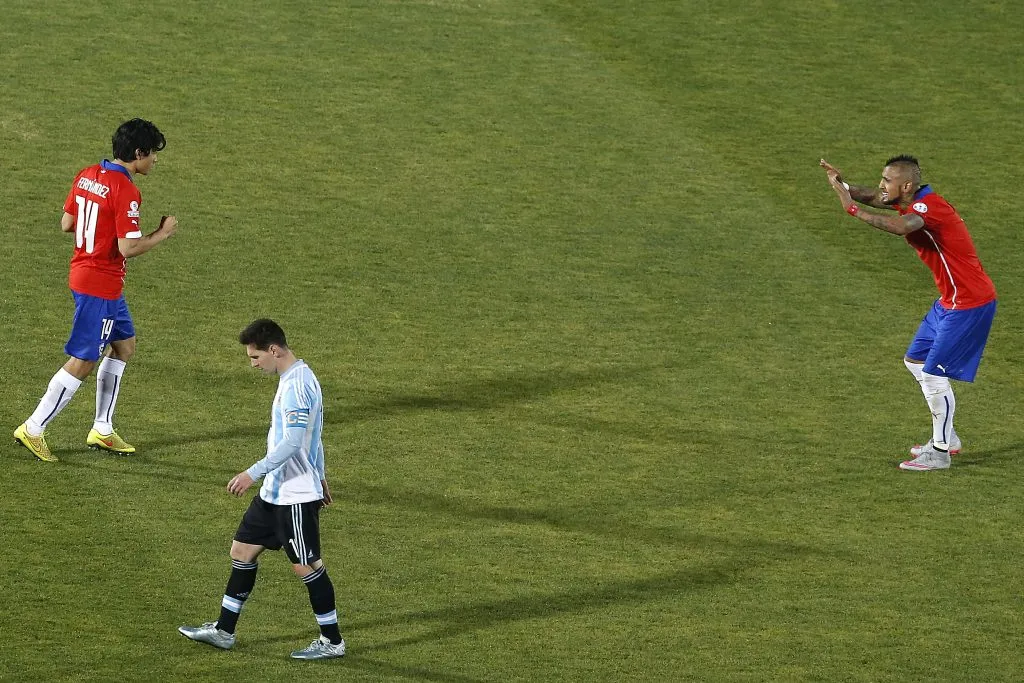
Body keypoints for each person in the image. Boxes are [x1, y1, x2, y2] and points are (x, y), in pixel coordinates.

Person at [13, 118, 178, 462]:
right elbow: (129, 247)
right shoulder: (126, 190)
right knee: (84, 359)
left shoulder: (87, 173)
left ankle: (102, 429)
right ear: (138, 153)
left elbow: (66, 224)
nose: (156, 161)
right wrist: (162, 234)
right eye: (153, 155)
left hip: (90, 276)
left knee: (124, 346)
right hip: (99, 284)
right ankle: (33, 427)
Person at [179, 319, 345, 660]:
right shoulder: (295, 377)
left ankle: (332, 642)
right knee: (241, 551)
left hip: (294, 495)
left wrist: (251, 473)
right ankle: (224, 631)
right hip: (274, 493)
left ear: (274, 350)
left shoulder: (298, 385)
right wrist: (323, 476)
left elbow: (294, 442)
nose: (253, 364)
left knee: (307, 565)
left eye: (255, 357)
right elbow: (317, 437)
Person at [820, 155, 997, 471]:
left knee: (932, 374)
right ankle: (948, 436)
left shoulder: (926, 210)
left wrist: (851, 208)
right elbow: (875, 197)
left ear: (906, 185)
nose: (881, 185)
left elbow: (901, 226)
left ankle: (940, 452)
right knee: (915, 360)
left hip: (969, 304)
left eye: (887, 180)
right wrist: (841, 184)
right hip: (949, 301)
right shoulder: (914, 199)